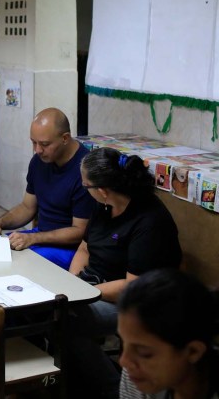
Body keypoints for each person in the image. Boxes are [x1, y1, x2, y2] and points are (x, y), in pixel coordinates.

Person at [66, 147, 182, 398]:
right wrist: (72, 281)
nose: (83, 188)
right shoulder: (105, 205)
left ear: (102, 190)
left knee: (66, 321)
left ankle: (112, 390)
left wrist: (82, 292)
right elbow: (84, 248)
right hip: (93, 287)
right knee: (41, 308)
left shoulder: (150, 222)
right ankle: (61, 378)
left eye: (85, 184)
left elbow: (133, 288)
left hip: (134, 302)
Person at [0, 108, 95, 270]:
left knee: (16, 263)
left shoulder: (85, 172)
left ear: (65, 138)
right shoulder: (39, 161)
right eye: (33, 142)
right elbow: (27, 207)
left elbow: (80, 232)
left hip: (71, 249)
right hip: (41, 236)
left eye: (44, 144)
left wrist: (34, 238)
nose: (37, 150)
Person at [118, 269, 219, 399]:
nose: (124, 361)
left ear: (193, 351)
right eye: (123, 342)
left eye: (144, 353)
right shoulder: (136, 374)